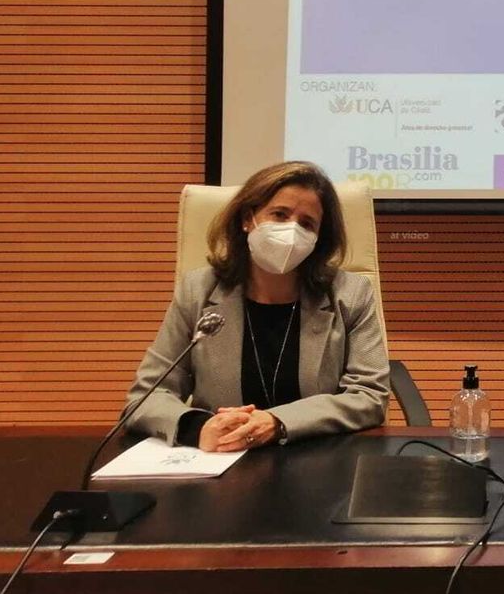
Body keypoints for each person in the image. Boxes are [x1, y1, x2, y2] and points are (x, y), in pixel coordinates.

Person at [124, 161, 390, 451]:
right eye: (279, 214)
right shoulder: (198, 290)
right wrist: (197, 428)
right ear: (247, 218)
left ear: (317, 239)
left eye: (306, 224)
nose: (291, 230)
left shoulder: (350, 294)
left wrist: (278, 422)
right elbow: (146, 396)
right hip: (222, 459)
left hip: (315, 459)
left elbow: (369, 395)